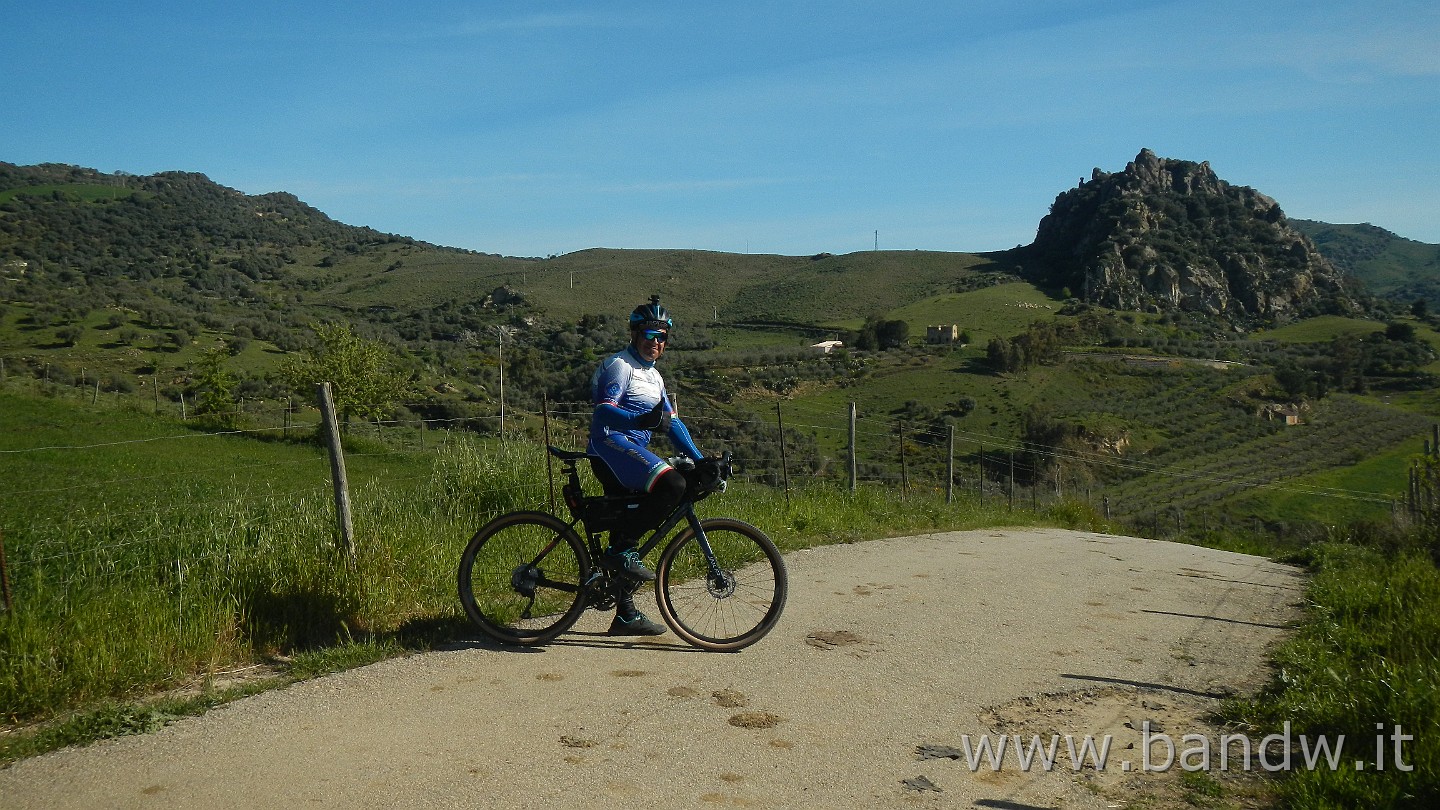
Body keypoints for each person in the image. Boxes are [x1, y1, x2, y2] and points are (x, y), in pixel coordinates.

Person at [588, 295, 703, 636]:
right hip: (609, 445)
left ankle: (624, 613)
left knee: (633, 518)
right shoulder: (621, 366)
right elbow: (603, 411)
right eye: (650, 335)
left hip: (630, 451)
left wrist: (699, 459)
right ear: (636, 334)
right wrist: (640, 418)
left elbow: (672, 424)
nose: (656, 342)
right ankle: (620, 549)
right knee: (673, 485)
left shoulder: (655, 378)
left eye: (663, 336)